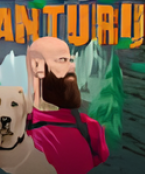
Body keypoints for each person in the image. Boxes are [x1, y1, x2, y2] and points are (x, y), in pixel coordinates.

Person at [22, 36, 109, 172]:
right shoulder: (20, 130)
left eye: (71, 60)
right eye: (62, 60)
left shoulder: (91, 127)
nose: (73, 66)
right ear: (37, 67)